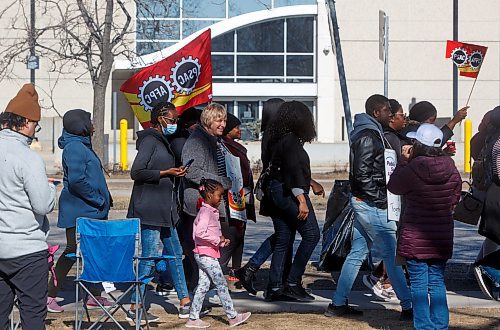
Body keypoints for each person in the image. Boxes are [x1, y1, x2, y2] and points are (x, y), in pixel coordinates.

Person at [325, 94, 413, 319]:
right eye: (387, 111)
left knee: (357, 253)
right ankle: (409, 306)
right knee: (392, 255)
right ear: (376, 112)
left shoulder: (371, 133)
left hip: (368, 203)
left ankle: (337, 304)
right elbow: (363, 175)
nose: (390, 115)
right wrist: (381, 200)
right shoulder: (368, 136)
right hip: (371, 204)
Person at [387, 123, 462, 329]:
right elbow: (455, 197)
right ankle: (440, 325)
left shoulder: (413, 168)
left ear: (418, 144)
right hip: (441, 234)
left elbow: (394, 186)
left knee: (419, 284)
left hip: (416, 234)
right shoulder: (451, 167)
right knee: (437, 281)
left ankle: (424, 326)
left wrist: (403, 160)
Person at [127, 102, 191, 323]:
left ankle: (185, 302)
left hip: (166, 209)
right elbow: (137, 172)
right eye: (172, 120)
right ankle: (135, 305)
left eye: (176, 121)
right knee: (149, 256)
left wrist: (175, 173)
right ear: (160, 118)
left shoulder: (164, 142)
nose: (174, 124)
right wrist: (165, 172)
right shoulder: (149, 141)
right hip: (150, 208)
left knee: (175, 254)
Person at [0, 84, 57, 330]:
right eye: (35, 124)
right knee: (33, 318)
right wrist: (52, 188)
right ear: (24, 122)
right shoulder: (29, 158)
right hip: (27, 251)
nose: (36, 130)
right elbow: (43, 205)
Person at [47, 109, 113, 313]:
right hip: (80, 210)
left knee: (93, 252)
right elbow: (76, 181)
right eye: (89, 120)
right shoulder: (75, 147)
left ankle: (93, 295)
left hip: (91, 209)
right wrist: (98, 199)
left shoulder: (82, 144)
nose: (93, 124)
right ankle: (48, 296)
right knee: (72, 251)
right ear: (80, 125)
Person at [263, 101, 323, 302]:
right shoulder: (290, 141)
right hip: (287, 192)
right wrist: (302, 200)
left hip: (276, 191)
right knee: (312, 234)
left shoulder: (279, 137)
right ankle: (292, 283)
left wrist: (312, 183)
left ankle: (275, 286)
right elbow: (293, 172)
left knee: (283, 237)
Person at [235, 98, 285, 295]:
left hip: (272, 190)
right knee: (283, 235)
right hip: (276, 190)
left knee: (283, 236)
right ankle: (253, 269)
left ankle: (256, 270)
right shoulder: (275, 136)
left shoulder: (271, 135)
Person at [185, 178, 251, 328]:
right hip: (206, 256)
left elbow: (205, 233)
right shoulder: (206, 212)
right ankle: (232, 316)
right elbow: (200, 233)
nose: (221, 198)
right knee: (221, 284)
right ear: (209, 195)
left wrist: (221, 241)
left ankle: (193, 318)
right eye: (219, 195)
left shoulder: (208, 211)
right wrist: (216, 239)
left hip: (205, 253)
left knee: (203, 285)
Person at [180, 103, 232, 293]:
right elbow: (191, 171)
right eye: (219, 120)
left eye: (224, 120)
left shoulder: (215, 140)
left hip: (213, 202)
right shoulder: (197, 141)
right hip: (199, 204)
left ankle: (205, 289)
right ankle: (199, 289)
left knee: (219, 246)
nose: (223, 124)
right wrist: (222, 181)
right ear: (209, 120)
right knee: (204, 252)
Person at [220, 113, 256, 277]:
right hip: (233, 197)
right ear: (228, 130)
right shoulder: (225, 147)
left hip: (243, 195)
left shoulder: (236, 147)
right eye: (236, 127)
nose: (239, 130)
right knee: (232, 235)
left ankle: (236, 270)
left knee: (240, 235)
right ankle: (221, 271)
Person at [470, 105, 500, 301]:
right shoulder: (498, 142)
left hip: (492, 193)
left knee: (494, 237)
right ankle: (488, 269)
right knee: (494, 238)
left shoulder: (491, 137)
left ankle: (485, 267)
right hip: (497, 194)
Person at [401, 101, 468, 151]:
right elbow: (432, 145)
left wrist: (442, 152)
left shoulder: (405, 130)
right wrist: (454, 121)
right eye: (432, 120)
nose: (434, 123)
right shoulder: (412, 134)